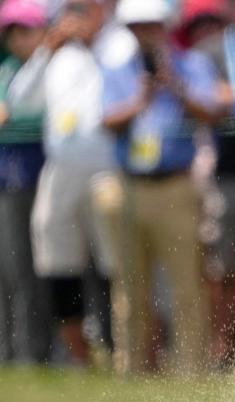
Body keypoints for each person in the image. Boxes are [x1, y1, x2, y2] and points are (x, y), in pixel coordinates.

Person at [6, 0, 134, 366]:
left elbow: (125, 92)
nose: (78, 14)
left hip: (107, 169)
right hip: (59, 169)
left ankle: (120, 351)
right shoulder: (56, 52)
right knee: (57, 259)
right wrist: (46, 49)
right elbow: (19, 98)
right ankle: (79, 357)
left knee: (114, 263)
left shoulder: (118, 42)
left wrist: (91, 43)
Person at [102, 0, 220, 374]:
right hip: (131, 187)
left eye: (152, 25)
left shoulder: (191, 65)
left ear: (166, 26)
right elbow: (107, 120)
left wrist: (176, 87)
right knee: (130, 287)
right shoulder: (118, 71)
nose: (146, 33)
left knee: (186, 284)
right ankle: (133, 367)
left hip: (177, 185)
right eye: (138, 26)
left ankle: (190, 368)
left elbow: (213, 112)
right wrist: (141, 99)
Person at [184, 0, 235, 367]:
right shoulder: (209, 51)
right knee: (226, 265)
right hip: (227, 172)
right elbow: (211, 100)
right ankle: (228, 349)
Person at [0, 0, 51, 365]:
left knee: (40, 268)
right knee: (14, 268)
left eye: (27, 30)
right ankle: (17, 351)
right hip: (11, 181)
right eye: (13, 31)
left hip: (44, 176)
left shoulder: (51, 69)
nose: (20, 38)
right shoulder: (5, 72)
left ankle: (38, 350)